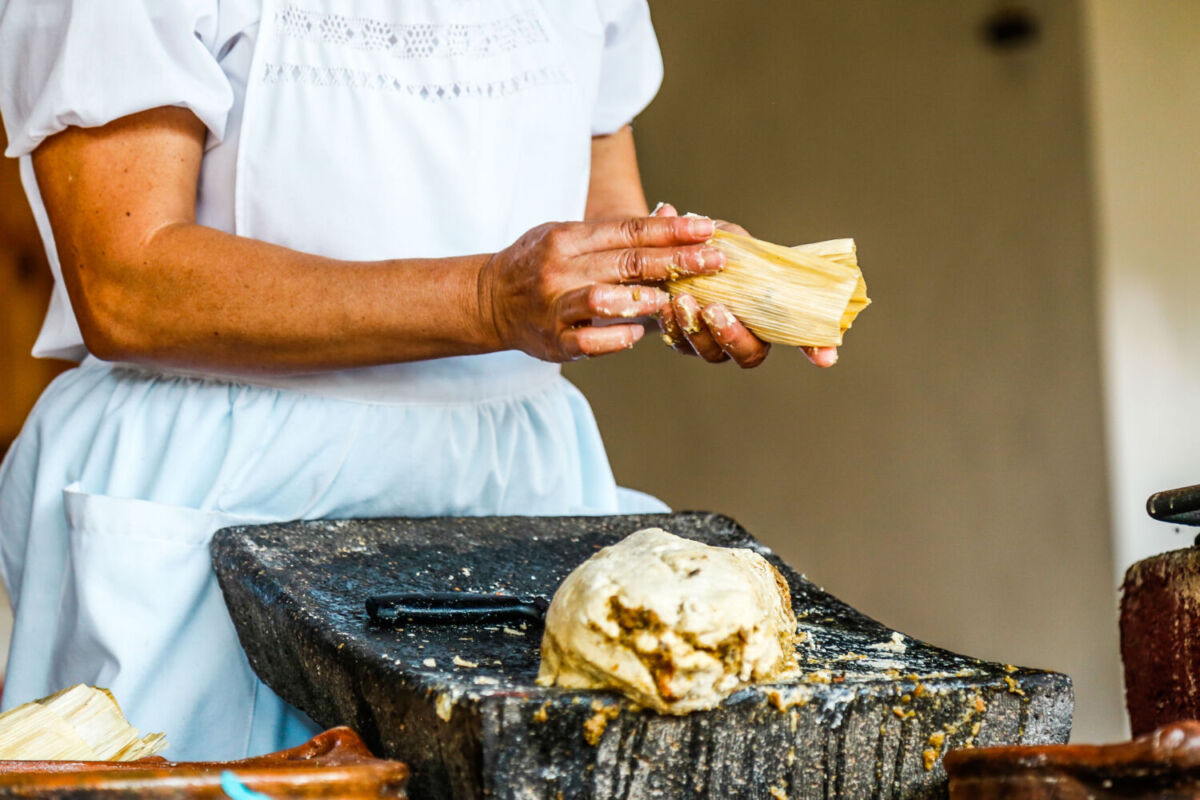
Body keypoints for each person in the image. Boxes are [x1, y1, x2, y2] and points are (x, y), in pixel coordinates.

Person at [0, 1, 835, 760]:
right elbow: (126, 285)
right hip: (223, 485)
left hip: (513, 488)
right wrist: (484, 297)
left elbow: (601, 188)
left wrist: (676, 270)